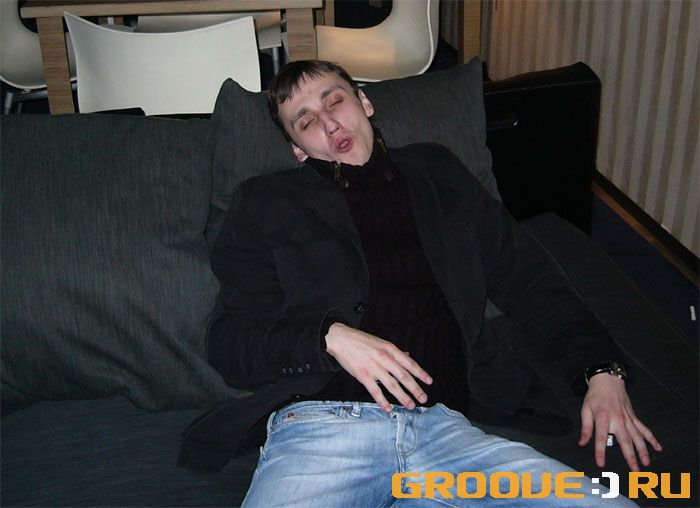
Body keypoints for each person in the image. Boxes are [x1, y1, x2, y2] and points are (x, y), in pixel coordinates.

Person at [189, 61, 662, 506]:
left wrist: (601, 369)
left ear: (364, 102)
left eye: (335, 101)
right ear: (297, 149)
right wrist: (328, 338)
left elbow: (526, 278)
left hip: (447, 432)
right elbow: (230, 343)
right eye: (306, 121)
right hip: (325, 427)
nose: (329, 124)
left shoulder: (437, 171)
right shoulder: (265, 203)